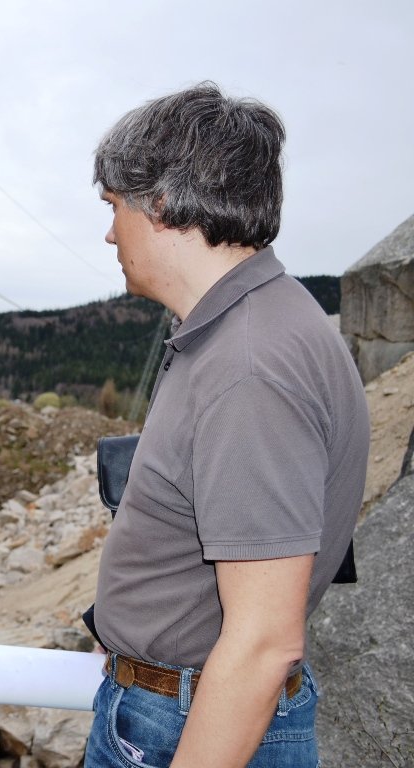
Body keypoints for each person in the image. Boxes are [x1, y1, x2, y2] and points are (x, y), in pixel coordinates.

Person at [84, 82, 370, 767]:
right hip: (172, 707)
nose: (107, 231)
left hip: (183, 724)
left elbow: (265, 642)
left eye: (113, 206)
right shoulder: (241, 328)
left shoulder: (250, 366)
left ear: (158, 203)